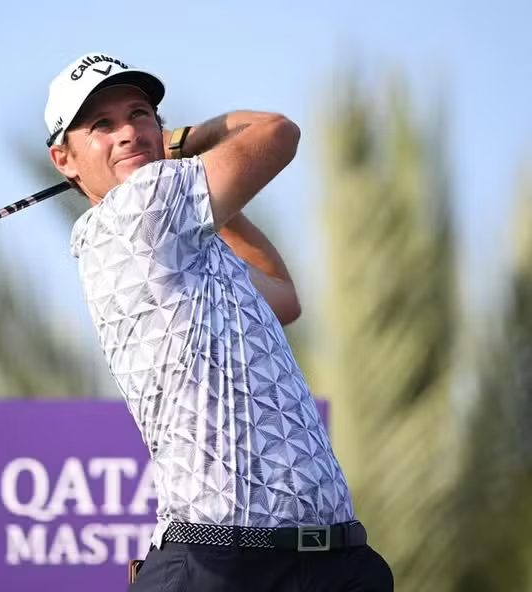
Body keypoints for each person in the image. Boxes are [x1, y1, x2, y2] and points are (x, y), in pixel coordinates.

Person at [44, 52, 394, 591]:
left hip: (328, 561)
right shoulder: (139, 210)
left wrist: (211, 207)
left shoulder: (180, 239)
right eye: (102, 126)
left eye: (140, 115)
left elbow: (282, 298)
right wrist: (187, 142)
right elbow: (277, 133)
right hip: (224, 565)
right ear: (64, 159)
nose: (129, 132)